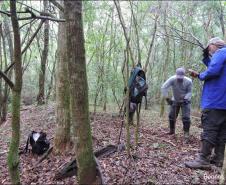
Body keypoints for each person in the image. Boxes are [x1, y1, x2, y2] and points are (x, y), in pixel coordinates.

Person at [185, 37, 226, 169]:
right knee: (222, 132)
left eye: (209, 47)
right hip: (223, 103)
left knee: (210, 129)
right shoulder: (222, 54)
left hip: (215, 100)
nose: (209, 50)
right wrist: (207, 57)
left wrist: (199, 75)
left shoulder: (221, 52)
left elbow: (213, 71)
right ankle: (219, 159)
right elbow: (215, 67)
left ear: (214, 45)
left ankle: (203, 159)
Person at [161, 67, 193, 142]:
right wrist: (167, 98)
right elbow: (164, 87)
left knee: (186, 118)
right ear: (176, 75)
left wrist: (186, 98)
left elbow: (190, 92)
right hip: (175, 99)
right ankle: (172, 131)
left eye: (181, 77)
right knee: (171, 116)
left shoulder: (188, 81)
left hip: (185, 101)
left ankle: (186, 135)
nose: (179, 79)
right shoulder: (172, 79)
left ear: (184, 75)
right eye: (178, 77)